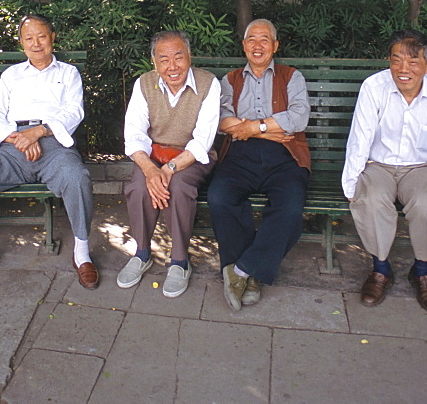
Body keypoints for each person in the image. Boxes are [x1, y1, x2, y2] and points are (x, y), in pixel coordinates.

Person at [0, 15, 98, 290]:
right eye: (29, 38)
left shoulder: (68, 73)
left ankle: (82, 253)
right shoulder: (12, 75)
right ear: (21, 43)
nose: (36, 43)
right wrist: (17, 138)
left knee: (77, 178)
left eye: (41, 36)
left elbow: (74, 111)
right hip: (12, 148)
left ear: (52, 37)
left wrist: (38, 132)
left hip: (54, 147)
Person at [341, 28, 427, 313]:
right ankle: (381, 269)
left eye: (413, 61)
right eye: (396, 60)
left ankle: (422, 271)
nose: (403, 69)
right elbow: (359, 139)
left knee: (426, 205)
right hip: (379, 165)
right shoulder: (374, 87)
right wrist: (351, 186)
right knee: (370, 200)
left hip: (421, 168)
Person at [208, 19, 311, 311]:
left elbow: (299, 116)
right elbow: (220, 119)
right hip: (240, 154)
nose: (258, 45)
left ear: (275, 46)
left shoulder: (292, 77)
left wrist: (255, 127)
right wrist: (270, 127)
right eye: (251, 39)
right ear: (243, 46)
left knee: (290, 207)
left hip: (285, 154)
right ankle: (252, 276)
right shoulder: (229, 80)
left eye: (264, 39)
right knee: (220, 198)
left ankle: (241, 270)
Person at [119, 30, 220, 297]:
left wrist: (169, 169)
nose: (172, 66)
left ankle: (179, 261)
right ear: (154, 63)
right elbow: (134, 135)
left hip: (193, 157)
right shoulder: (144, 84)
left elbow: (203, 141)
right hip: (154, 155)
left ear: (189, 57)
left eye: (178, 57)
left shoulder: (209, 83)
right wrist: (151, 170)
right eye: (164, 59)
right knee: (140, 187)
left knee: (178, 187)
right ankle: (141, 253)